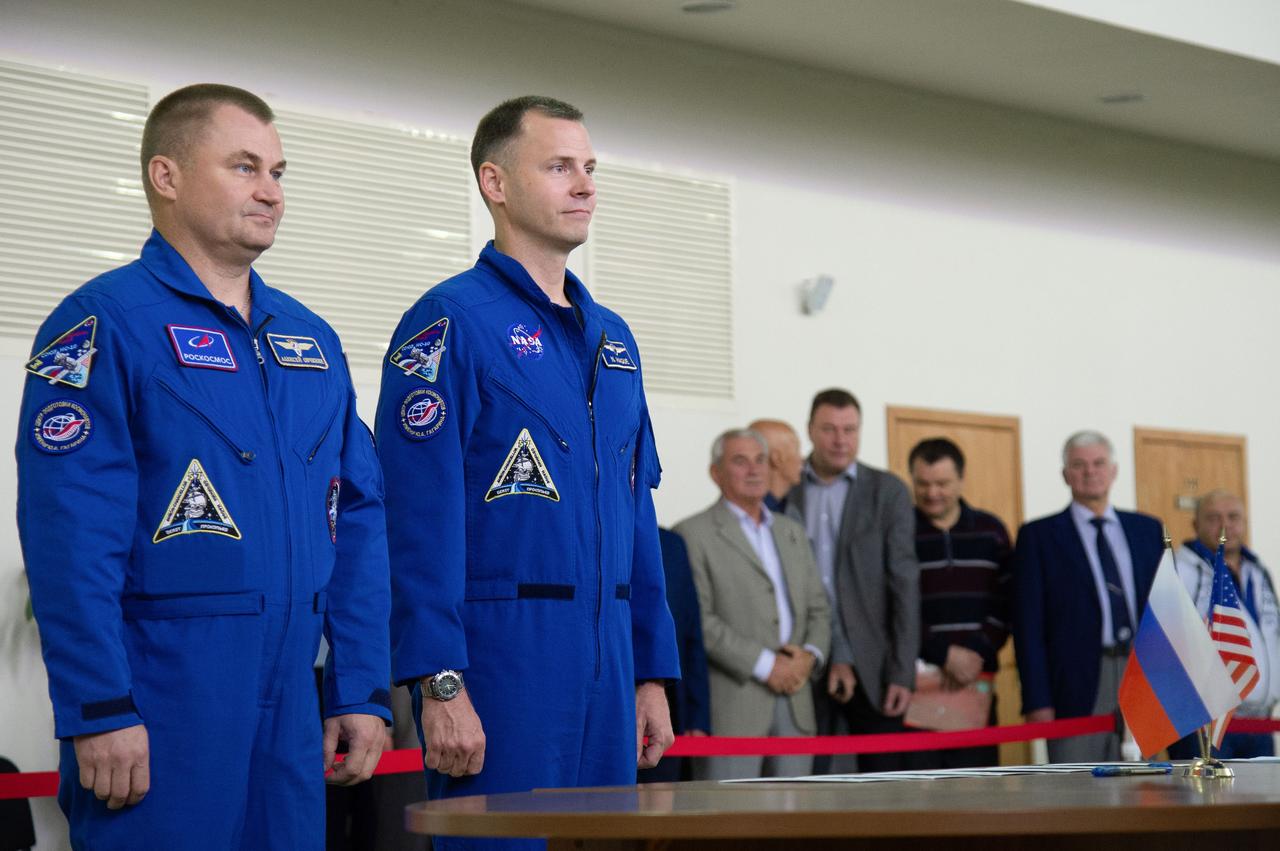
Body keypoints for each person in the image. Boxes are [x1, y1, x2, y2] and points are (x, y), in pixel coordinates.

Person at [15, 84, 391, 850]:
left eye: (278, 172)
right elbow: (70, 534)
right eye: (245, 167)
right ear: (168, 175)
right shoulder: (104, 324)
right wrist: (100, 705)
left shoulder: (310, 341)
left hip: (292, 711)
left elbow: (355, 517)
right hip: (160, 704)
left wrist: (360, 684)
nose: (271, 191)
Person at [376, 96, 679, 849]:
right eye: (559, 166)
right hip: (503, 665)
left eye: (590, 167)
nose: (585, 185)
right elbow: (415, 521)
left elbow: (637, 516)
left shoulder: (615, 340)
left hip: (609, 667)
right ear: (496, 183)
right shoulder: (449, 321)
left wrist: (651, 672)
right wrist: (439, 682)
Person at [676, 429, 831, 780]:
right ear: (716, 473)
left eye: (760, 460)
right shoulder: (692, 533)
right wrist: (766, 665)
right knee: (731, 813)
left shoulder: (792, 531)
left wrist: (809, 657)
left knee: (796, 811)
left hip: (796, 701)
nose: (754, 470)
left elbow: (819, 608)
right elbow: (698, 620)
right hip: (733, 708)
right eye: (740, 461)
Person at [784, 389, 922, 772]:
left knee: (884, 785)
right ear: (810, 430)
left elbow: (904, 585)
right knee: (806, 778)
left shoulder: (887, 491)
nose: (840, 440)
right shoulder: (787, 488)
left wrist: (903, 671)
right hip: (802, 656)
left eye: (850, 429)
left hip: (875, 663)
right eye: (829, 429)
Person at [1013, 430, 1162, 762]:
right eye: (1079, 465)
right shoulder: (1038, 536)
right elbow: (1028, 626)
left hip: (1141, 672)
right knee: (1078, 780)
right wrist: (1037, 699)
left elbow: (1165, 610)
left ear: (1113, 470)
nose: (1090, 472)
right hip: (1074, 682)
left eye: (1098, 463)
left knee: (1143, 780)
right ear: (1065, 474)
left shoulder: (1147, 530)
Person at [908, 438, 1012, 768]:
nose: (932, 493)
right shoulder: (900, 532)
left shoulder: (991, 530)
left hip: (977, 680)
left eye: (942, 483)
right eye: (922, 484)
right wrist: (943, 654)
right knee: (920, 788)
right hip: (917, 685)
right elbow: (895, 607)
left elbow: (1007, 602)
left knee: (978, 788)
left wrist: (974, 653)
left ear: (962, 480)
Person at [1169, 490, 1279, 759]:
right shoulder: (1179, 570)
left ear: (1245, 522)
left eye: (1233, 517)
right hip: (1205, 723)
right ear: (1195, 524)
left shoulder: (1258, 571)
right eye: (1213, 518)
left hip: (1259, 722)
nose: (1225, 525)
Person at [637, 529, 712, 783]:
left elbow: (691, 634)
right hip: (615, 708)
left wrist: (698, 717)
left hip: (670, 715)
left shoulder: (673, 544)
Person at [748, 418, 803, 512]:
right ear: (777, 459)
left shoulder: (789, 509)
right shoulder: (753, 514)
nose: (801, 459)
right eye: (797, 450)